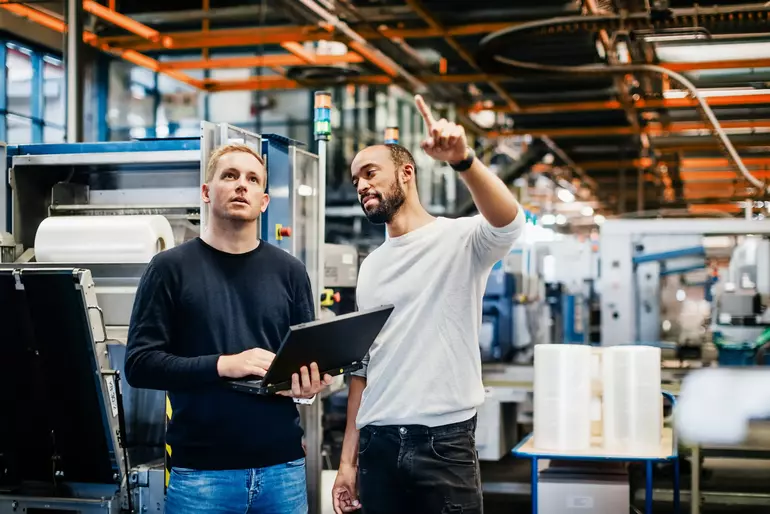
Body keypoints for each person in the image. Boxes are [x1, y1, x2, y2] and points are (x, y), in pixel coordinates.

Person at [332, 95, 525, 514]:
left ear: (406, 173)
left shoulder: (461, 239)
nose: (362, 184)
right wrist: (348, 462)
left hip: (444, 443)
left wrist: (463, 160)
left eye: (370, 173)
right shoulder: (372, 267)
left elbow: (510, 221)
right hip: (378, 443)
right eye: (356, 180)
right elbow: (363, 370)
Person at [125, 143, 333, 514]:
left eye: (252, 179)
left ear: (264, 200)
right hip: (201, 475)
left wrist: (308, 386)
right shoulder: (168, 269)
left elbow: (304, 359)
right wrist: (224, 364)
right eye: (230, 176)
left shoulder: (290, 271)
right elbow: (140, 364)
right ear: (206, 192)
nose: (242, 185)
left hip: (282, 469)